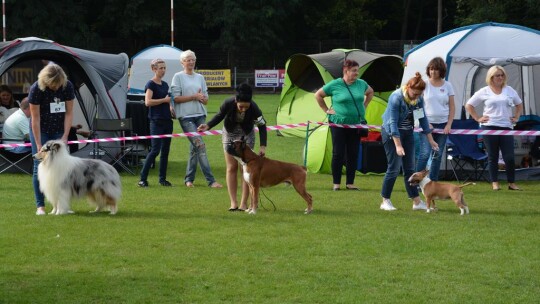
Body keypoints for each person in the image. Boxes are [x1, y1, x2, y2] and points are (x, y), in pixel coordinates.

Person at [197, 83, 267, 211]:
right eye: (241, 106)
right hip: (230, 132)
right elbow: (219, 116)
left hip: (247, 133)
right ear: (236, 101)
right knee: (231, 167)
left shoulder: (254, 108)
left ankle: (243, 204)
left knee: (245, 169)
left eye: (246, 107)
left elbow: (262, 126)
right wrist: (208, 126)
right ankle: (233, 203)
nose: (243, 109)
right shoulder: (228, 103)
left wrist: (263, 146)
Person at [380, 72, 438, 211]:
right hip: (391, 134)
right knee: (393, 169)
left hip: (408, 133)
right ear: (408, 87)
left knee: (410, 169)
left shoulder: (418, 100)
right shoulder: (396, 98)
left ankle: (417, 202)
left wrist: (431, 140)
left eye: (419, 94)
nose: (416, 97)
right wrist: (398, 145)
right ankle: (385, 201)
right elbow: (392, 123)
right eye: (414, 93)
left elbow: (422, 119)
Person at [314, 59, 374, 191]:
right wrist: (326, 110)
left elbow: (371, 92)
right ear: (345, 71)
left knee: (353, 153)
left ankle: (350, 183)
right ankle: (336, 183)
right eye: (354, 71)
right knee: (338, 153)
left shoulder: (361, 84)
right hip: (338, 125)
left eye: (357, 70)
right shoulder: (335, 85)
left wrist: (365, 105)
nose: (356, 73)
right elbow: (318, 95)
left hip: (355, 125)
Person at [465, 65, 523, 191]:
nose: (500, 77)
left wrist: (516, 117)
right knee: (493, 156)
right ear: (491, 77)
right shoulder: (484, 91)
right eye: (497, 75)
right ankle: (494, 183)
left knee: (509, 157)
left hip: (506, 127)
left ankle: (511, 183)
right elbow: (469, 105)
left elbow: (519, 104)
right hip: (489, 127)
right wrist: (477, 118)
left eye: (502, 75)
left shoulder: (510, 90)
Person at [171, 50, 222, 188]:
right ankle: (211, 181)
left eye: (192, 59)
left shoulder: (200, 77)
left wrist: (202, 98)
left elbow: (205, 100)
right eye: (187, 60)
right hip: (186, 118)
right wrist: (194, 96)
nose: (191, 62)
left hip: (200, 116)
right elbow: (175, 98)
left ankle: (189, 180)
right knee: (200, 145)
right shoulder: (178, 77)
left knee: (194, 148)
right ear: (182, 62)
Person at [29, 63, 75, 215]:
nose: (56, 88)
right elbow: (35, 118)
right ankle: (40, 206)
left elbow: (69, 113)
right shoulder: (36, 89)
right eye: (53, 85)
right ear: (45, 81)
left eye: (58, 84)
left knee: (62, 169)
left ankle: (60, 205)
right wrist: (38, 143)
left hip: (59, 130)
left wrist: (65, 136)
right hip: (41, 130)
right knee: (39, 167)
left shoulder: (67, 86)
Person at [415, 57, 455, 180]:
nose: (433, 72)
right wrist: (425, 123)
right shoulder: (424, 84)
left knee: (437, 155)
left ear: (441, 71)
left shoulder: (448, 85)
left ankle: (433, 181)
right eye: (431, 69)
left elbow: (452, 107)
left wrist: (449, 124)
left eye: (436, 69)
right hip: (426, 124)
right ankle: (417, 181)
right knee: (425, 153)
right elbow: (416, 106)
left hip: (442, 125)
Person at [138, 58, 174, 187]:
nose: (163, 70)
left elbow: (167, 100)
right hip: (156, 121)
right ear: (154, 69)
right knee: (155, 150)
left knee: (165, 151)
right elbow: (148, 102)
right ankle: (142, 179)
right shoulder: (150, 84)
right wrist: (164, 101)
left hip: (167, 121)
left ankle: (162, 179)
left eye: (164, 68)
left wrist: (171, 108)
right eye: (160, 68)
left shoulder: (165, 85)